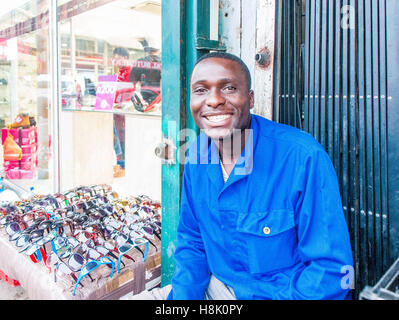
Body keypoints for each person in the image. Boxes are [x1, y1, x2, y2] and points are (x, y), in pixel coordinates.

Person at [127, 52, 354, 300]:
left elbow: (330, 273)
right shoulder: (196, 155)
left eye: (229, 88)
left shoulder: (302, 157)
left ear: (250, 98)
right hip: (215, 288)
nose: (213, 100)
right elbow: (193, 242)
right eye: (201, 90)